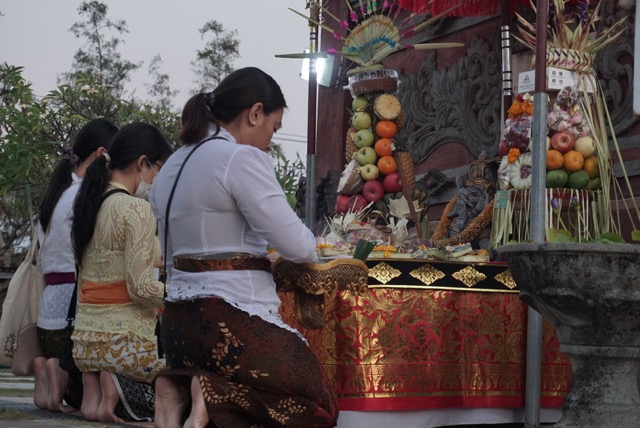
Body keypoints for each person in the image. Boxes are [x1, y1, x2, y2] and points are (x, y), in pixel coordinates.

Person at [149, 67, 339, 428]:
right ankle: (212, 391)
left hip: (176, 330)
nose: (271, 139)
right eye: (274, 126)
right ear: (254, 113)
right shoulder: (240, 159)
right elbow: (299, 246)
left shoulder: (172, 164)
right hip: (226, 323)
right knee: (319, 404)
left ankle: (180, 387)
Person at [71, 122, 172, 423]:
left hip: (85, 345)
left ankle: (95, 395)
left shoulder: (90, 202)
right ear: (142, 163)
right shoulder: (135, 209)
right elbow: (140, 287)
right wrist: (180, 295)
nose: (156, 179)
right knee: (182, 388)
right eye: (158, 169)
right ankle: (116, 388)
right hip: (125, 346)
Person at [34, 118, 118, 413]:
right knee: (98, 384)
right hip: (72, 319)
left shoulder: (56, 195)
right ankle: (58, 377)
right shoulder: (86, 197)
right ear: (101, 154)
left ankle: (47, 371)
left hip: (46, 318)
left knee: (61, 358)